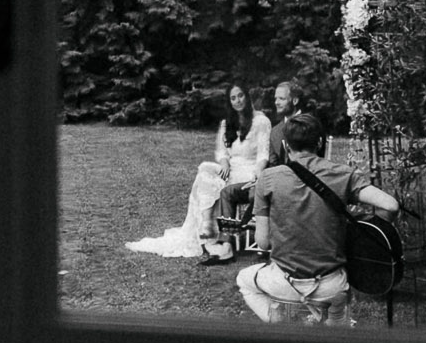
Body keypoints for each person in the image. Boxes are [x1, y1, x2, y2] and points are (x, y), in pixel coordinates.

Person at [236, 116, 398, 324]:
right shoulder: (343, 174)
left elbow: (263, 243)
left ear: (285, 145)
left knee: (245, 280)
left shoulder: (267, 178)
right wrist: (369, 238)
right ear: (320, 143)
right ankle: (319, 321)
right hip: (332, 286)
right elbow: (391, 205)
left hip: (283, 284)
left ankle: (282, 325)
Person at [126, 84, 271, 261]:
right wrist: (224, 164)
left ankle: (218, 235)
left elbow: (263, 154)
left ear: (247, 96)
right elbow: (222, 152)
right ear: (229, 102)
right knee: (204, 172)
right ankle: (207, 228)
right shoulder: (227, 123)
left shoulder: (261, 121)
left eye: (240, 96)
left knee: (217, 183)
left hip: (250, 171)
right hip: (231, 168)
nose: (238, 101)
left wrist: (258, 173)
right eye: (233, 98)